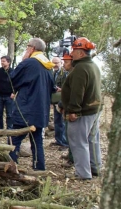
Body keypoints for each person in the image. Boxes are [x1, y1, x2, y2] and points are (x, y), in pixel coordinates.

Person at [8, 38, 57, 171]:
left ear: (32, 48)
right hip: (41, 111)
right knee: (37, 142)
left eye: (27, 47)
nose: (26, 50)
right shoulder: (48, 66)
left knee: (13, 140)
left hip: (25, 109)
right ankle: (39, 169)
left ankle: (12, 168)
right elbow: (52, 88)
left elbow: (12, 80)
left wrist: (23, 61)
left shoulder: (29, 63)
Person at [61, 37, 102, 180]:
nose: (72, 53)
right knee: (93, 140)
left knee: (78, 142)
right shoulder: (93, 66)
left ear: (82, 53)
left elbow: (77, 91)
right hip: (94, 110)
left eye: (75, 50)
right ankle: (95, 168)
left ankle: (83, 173)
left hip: (83, 112)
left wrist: (73, 110)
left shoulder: (80, 68)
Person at [50, 56, 69, 150]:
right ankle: (58, 140)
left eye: (56, 63)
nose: (55, 65)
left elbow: (68, 86)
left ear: (61, 63)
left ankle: (65, 143)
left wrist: (61, 89)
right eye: (53, 63)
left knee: (63, 122)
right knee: (57, 121)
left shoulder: (65, 73)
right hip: (55, 100)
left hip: (63, 100)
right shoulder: (53, 73)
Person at [0, 56, 14, 129]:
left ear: (8, 62)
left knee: (10, 114)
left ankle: (9, 130)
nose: (2, 62)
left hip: (9, 96)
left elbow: (17, 83)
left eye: (3, 61)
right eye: (1, 61)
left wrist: (14, 92)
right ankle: (0, 130)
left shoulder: (13, 71)